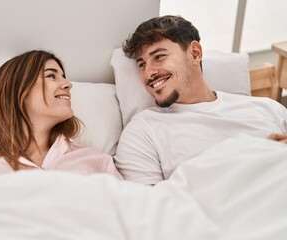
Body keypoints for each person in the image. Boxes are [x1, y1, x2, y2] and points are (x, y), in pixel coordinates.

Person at [114, 15, 287, 185]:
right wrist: (257, 162)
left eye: (158, 57)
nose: (148, 73)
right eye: (141, 64)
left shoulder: (268, 109)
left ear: (195, 54)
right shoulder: (143, 132)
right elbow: (147, 209)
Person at [0, 50, 122, 187]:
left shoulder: (98, 161)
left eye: (63, 77)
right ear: (19, 90)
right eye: (51, 76)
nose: (67, 84)